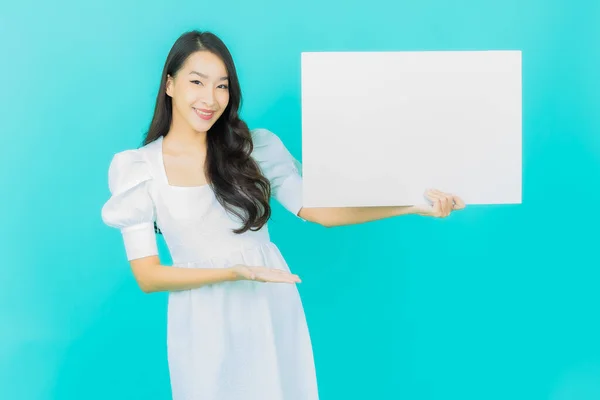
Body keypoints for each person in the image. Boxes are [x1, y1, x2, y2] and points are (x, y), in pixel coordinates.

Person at [100, 30, 465, 400]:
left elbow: (320, 211)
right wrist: (236, 272)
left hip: (270, 307)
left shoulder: (253, 148)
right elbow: (148, 276)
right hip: (202, 321)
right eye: (197, 82)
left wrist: (411, 205)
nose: (210, 99)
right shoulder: (138, 168)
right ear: (170, 84)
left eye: (222, 86)